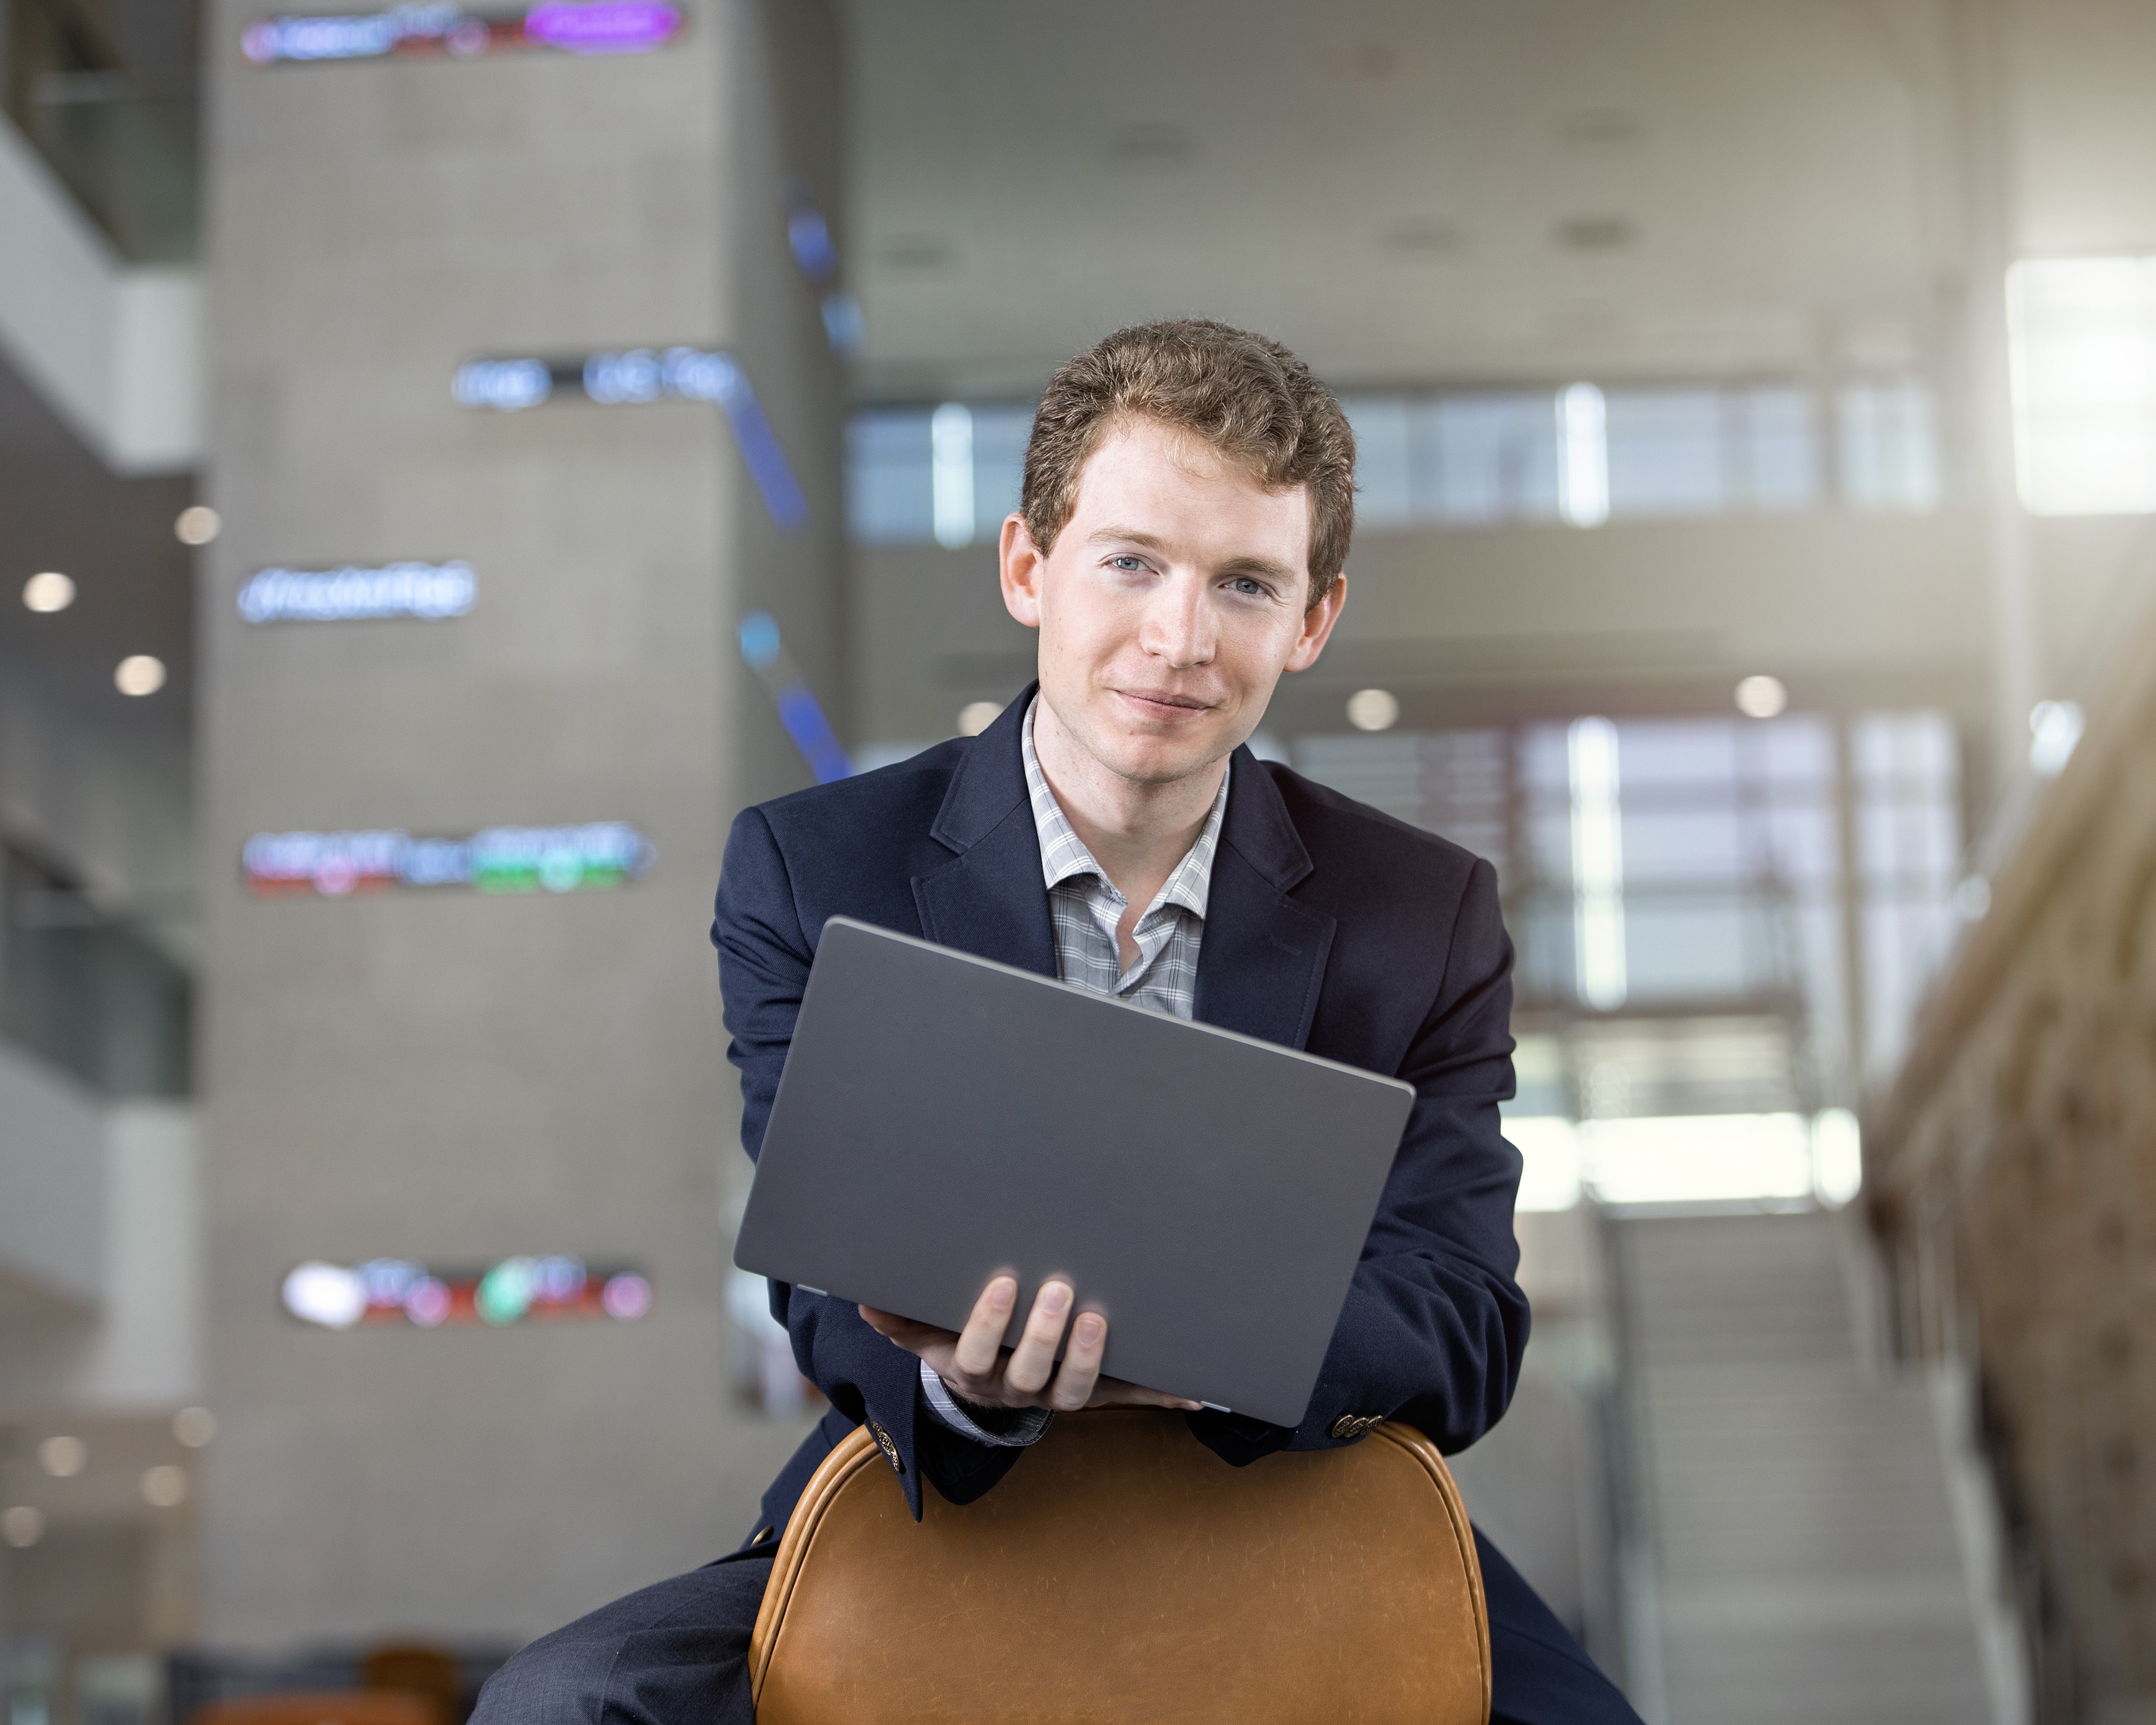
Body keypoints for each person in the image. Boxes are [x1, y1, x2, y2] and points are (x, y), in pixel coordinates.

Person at [475, 319, 1643, 1725]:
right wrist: (972, 1390)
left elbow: (1462, 1317)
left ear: (1313, 619)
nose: (1181, 636)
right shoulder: (814, 866)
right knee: (563, 1703)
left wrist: (1207, 1347)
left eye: (1246, 583)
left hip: (1289, 1489)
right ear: (1031, 566)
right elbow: (822, 1284)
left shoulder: (1425, 910)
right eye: (1133, 561)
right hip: (944, 1489)